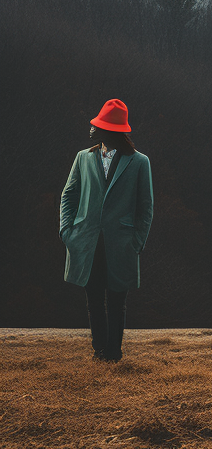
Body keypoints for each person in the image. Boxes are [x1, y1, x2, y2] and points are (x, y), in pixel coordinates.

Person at [59, 99, 153, 362]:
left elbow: (145, 207)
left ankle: (114, 352)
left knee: (116, 301)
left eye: (100, 127)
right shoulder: (83, 158)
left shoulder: (139, 162)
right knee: (93, 300)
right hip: (86, 241)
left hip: (121, 243)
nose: (95, 131)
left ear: (114, 131)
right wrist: (67, 231)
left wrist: (137, 242)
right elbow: (69, 194)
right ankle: (99, 350)